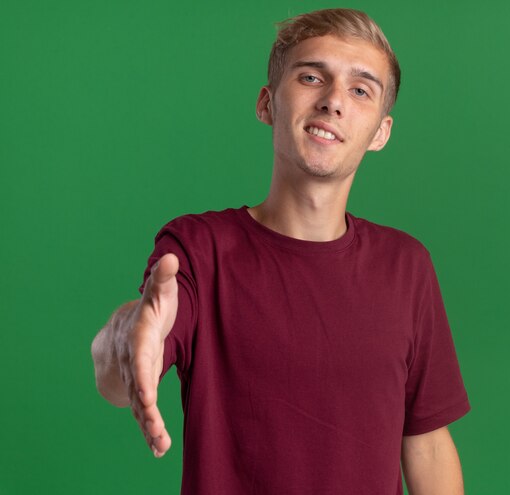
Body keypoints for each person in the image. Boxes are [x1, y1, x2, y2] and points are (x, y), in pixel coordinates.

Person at [91, 8, 470, 495]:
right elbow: (118, 373)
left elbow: (428, 444)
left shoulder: (407, 266)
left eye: (360, 90)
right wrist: (126, 332)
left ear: (381, 132)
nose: (333, 100)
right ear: (267, 104)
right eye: (312, 76)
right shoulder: (199, 250)